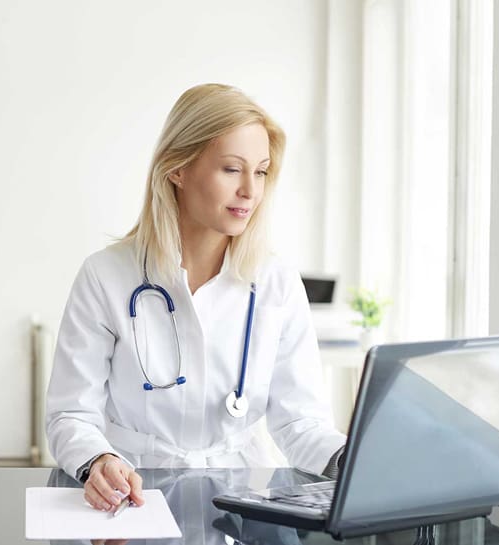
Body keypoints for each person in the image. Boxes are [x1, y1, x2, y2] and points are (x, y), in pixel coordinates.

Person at [45, 84, 346, 515]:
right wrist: (99, 460)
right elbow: (71, 414)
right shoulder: (106, 275)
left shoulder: (276, 281)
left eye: (260, 172)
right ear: (178, 170)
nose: (250, 191)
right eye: (231, 169)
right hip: (134, 494)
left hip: (243, 501)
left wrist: (350, 460)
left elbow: (300, 422)